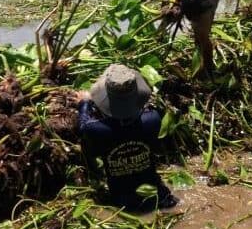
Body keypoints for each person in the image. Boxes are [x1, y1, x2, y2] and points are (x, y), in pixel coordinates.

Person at [76, 64, 178, 211]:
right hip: (161, 198)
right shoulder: (153, 119)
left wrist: (84, 104)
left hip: (124, 205)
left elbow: (83, 126)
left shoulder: (96, 129)